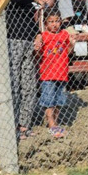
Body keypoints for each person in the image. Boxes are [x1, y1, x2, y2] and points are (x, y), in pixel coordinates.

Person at [34, 10, 72, 138]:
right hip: (48, 74)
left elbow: (69, 51)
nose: (54, 24)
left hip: (61, 73)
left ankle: (55, 122)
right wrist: (37, 49)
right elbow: (39, 55)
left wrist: (72, 43)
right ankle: (51, 124)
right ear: (46, 23)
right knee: (49, 100)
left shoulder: (64, 34)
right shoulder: (44, 35)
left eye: (57, 21)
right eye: (51, 22)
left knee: (58, 100)